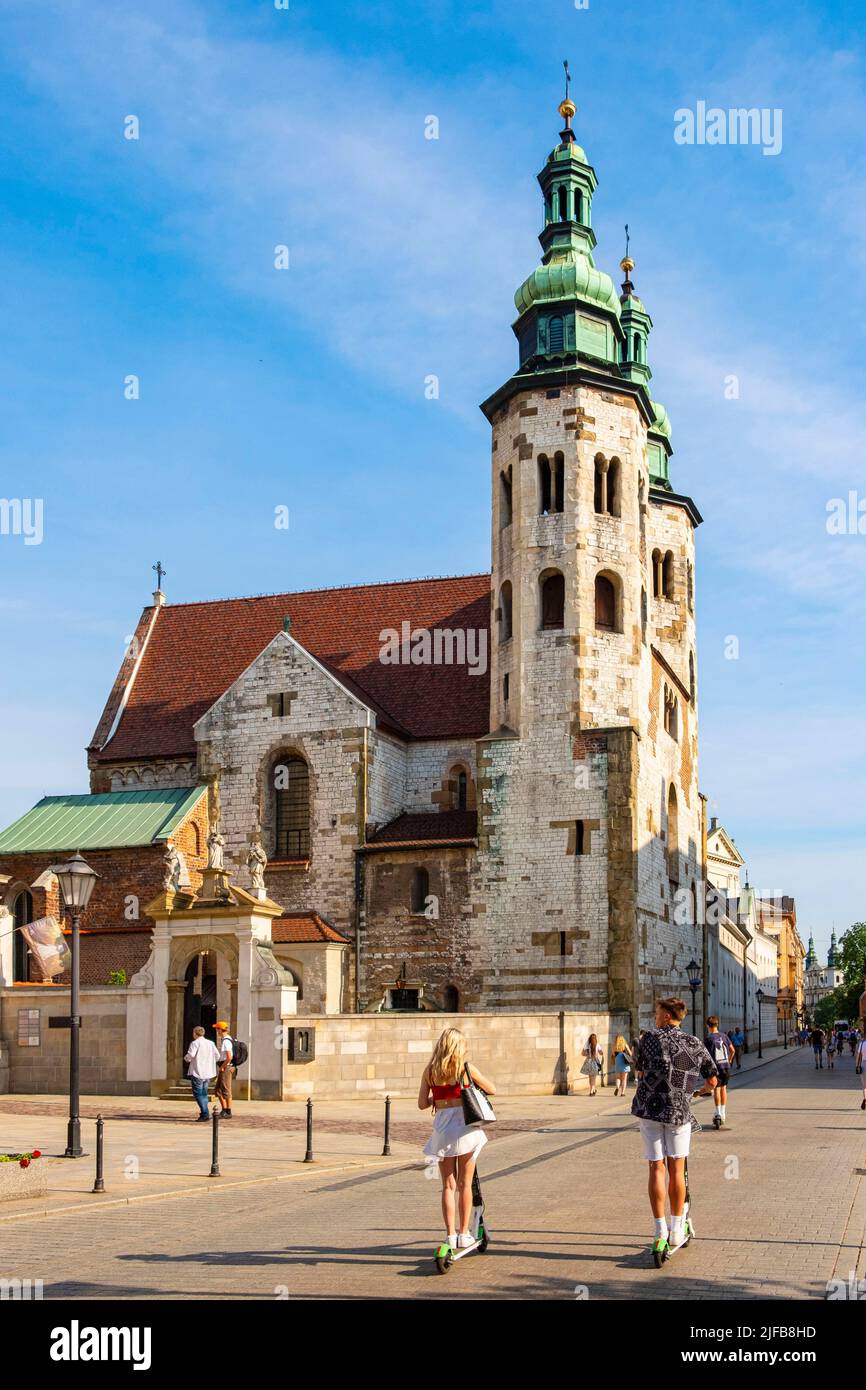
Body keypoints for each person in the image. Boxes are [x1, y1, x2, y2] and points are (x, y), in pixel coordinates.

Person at [632, 997, 718, 1260]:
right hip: (679, 1111)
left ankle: (659, 1231)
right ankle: (677, 1228)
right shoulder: (694, 1042)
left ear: (667, 1016)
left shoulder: (647, 1039)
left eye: (658, 1013)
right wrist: (699, 1091)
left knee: (655, 1167)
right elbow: (713, 1080)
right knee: (676, 1168)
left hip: (650, 1110)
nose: (655, 1017)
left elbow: (640, 1071)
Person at [419, 1028, 495, 1251]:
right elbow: (492, 1089)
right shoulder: (465, 1068)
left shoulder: (430, 1071)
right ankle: (464, 1233)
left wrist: (439, 1096)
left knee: (447, 1185)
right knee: (465, 1184)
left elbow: (422, 1103)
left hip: (442, 1129)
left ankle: (450, 1235)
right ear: (458, 1047)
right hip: (464, 1127)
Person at [698, 1017, 735, 1129]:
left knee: (717, 1089)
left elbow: (704, 1055)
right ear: (717, 1024)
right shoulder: (724, 1036)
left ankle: (718, 1112)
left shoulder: (708, 1039)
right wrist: (729, 1060)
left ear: (708, 1026)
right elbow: (732, 1050)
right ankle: (723, 1113)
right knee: (724, 1088)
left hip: (716, 1068)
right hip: (726, 1067)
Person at [184, 1025, 219, 1121]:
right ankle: (205, 1112)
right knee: (204, 1093)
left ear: (195, 1033)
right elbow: (217, 1056)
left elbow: (191, 1055)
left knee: (198, 1093)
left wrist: (186, 1058)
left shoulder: (195, 1043)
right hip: (208, 1072)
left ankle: (205, 1113)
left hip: (198, 1071)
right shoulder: (210, 1043)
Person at [213, 1021, 234, 1117]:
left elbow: (229, 1057)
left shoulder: (226, 1041)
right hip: (225, 1066)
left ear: (220, 1030)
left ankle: (228, 1111)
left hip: (226, 1067)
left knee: (226, 1089)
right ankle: (224, 1109)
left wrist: (222, 1067)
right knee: (218, 1090)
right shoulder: (227, 1039)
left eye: (217, 1029)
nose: (216, 1031)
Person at [856, 1033, 866, 1110]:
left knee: (864, 1085)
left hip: (863, 1064)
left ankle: (865, 1099)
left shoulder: (862, 1044)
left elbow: (858, 1056)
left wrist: (857, 1065)